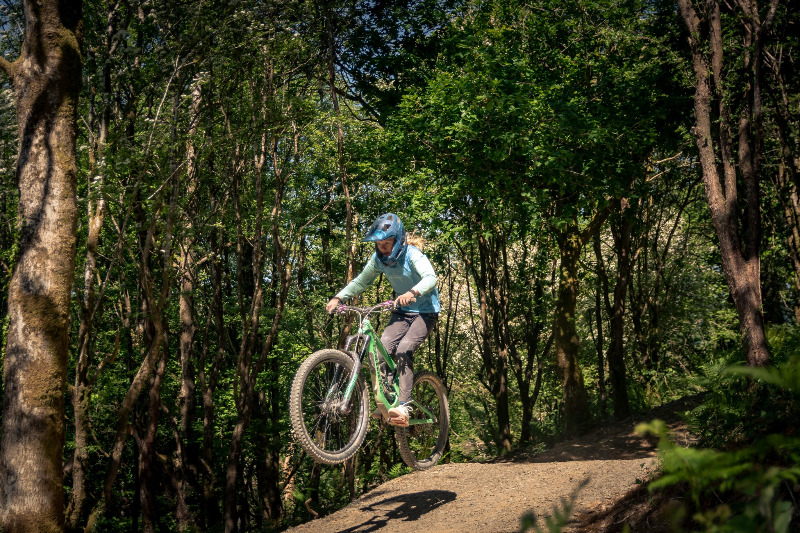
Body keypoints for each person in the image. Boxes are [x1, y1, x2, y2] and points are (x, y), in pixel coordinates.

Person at [326, 213, 440, 426]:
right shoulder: (378, 260)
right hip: (402, 312)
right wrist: (338, 297)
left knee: (404, 349)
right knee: (380, 351)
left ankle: (404, 405)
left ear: (398, 241)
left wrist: (412, 293)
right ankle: (388, 401)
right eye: (379, 244)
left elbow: (431, 278)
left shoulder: (413, 255)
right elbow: (361, 281)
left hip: (425, 312)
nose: (383, 248)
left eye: (387, 244)